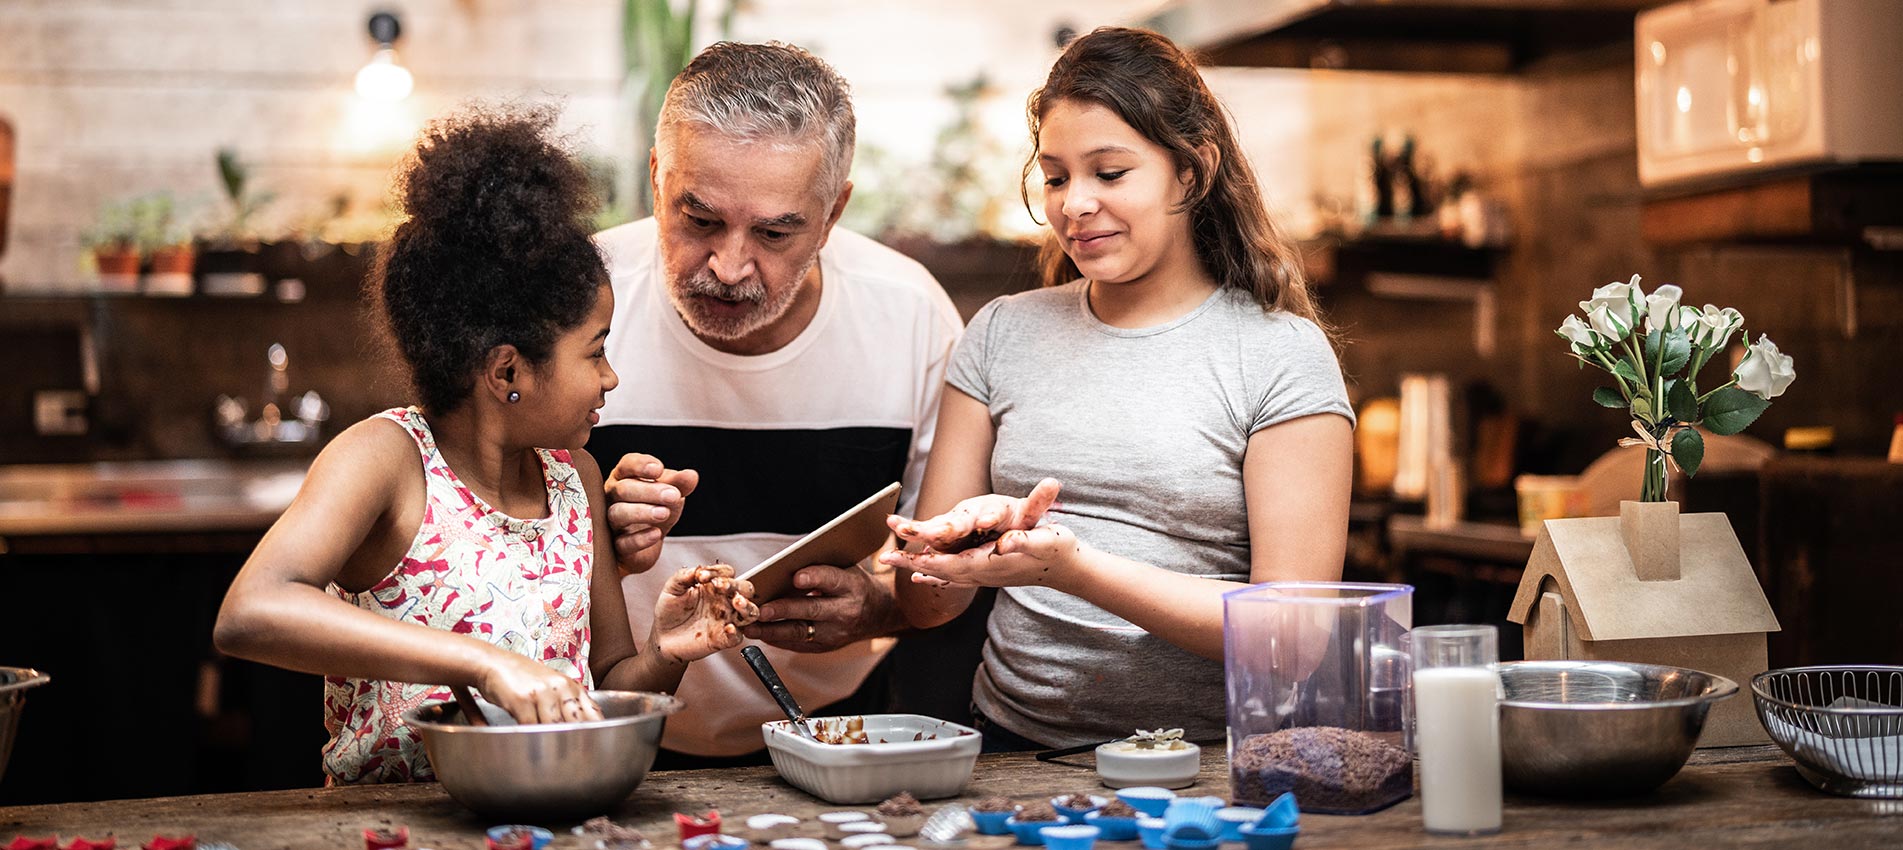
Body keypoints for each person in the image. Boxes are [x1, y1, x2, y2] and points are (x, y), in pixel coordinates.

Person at [212, 105, 759, 785]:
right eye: (595, 353)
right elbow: (249, 611)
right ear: (507, 372)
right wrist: (481, 660)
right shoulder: (387, 461)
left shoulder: (575, 478)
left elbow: (607, 677)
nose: (610, 378)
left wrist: (668, 650)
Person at [883, 27, 1356, 750]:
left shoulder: (1279, 355)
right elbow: (926, 609)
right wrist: (946, 550)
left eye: (1108, 173)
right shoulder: (1001, 334)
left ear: (1191, 173)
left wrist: (1074, 569)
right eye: (1055, 176)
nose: (1073, 203)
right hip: (1013, 753)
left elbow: (1291, 639)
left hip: (1212, 767)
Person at [587, 42, 965, 765]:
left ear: (832, 213)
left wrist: (877, 605)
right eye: (698, 221)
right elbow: (470, 544)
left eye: (774, 232)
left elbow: (945, 572)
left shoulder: (909, 315)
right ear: (656, 177)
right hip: (593, 729)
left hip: (839, 729)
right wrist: (590, 529)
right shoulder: (576, 298)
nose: (729, 268)